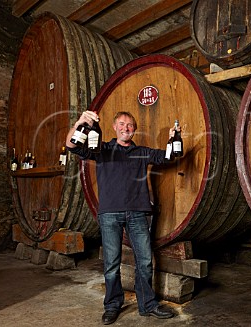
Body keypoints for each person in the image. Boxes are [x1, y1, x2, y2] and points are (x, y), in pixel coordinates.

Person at [66, 110, 179, 325]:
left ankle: (147, 305)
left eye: (129, 125)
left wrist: (173, 138)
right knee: (111, 263)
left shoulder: (141, 151)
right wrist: (80, 122)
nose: (125, 128)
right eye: (121, 124)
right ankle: (112, 305)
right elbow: (71, 146)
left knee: (145, 261)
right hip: (109, 213)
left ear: (134, 129)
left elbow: (167, 156)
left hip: (138, 213)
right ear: (114, 127)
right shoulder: (101, 148)